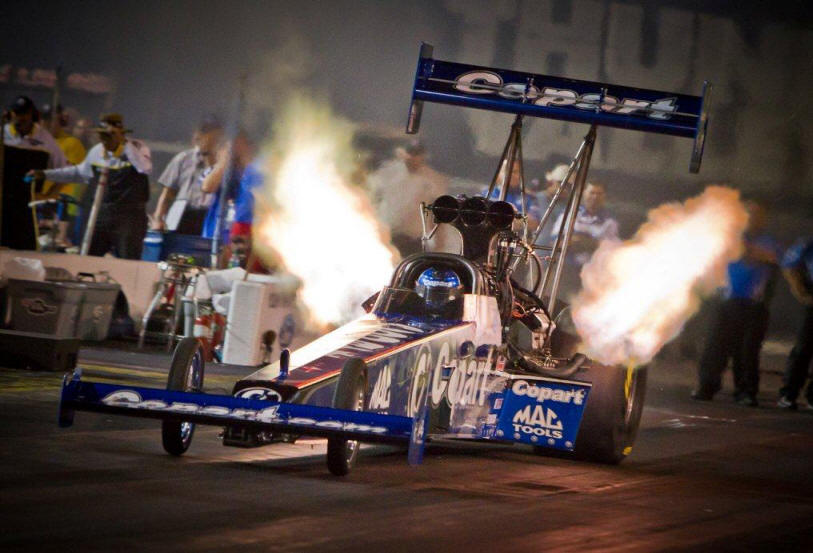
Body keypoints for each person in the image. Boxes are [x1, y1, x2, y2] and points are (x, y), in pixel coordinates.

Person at [692, 201, 781, 406]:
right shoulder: (730, 237)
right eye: (748, 214)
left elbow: (771, 256)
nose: (751, 219)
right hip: (727, 302)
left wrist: (744, 248)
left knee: (747, 351)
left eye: (756, 215)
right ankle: (707, 387)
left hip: (753, 306)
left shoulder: (767, 241)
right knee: (715, 346)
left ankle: (746, 392)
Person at [29, 113, 152, 259]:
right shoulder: (96, 151)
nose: (104, 140)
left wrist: (124, 145)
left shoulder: (136, 147)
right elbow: (79, 173)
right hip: (101, 213)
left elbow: (145, 168)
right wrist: (45, 174)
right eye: (102, 135)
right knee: (89, 255)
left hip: (129, 216)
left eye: (109, 135)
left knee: (129, 259)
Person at [367, 140, 449, 257]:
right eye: (410, 153)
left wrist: (440, 245)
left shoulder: (434, 179)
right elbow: (372, 199)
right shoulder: (387, 172)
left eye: (417, 154)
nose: (412, 158)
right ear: (403, 153)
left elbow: (439, 216)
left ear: (423, 156)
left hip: (413, 238)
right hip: (386, 235)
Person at [151, 118, 222, 235]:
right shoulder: (184, 159)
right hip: (181, 214)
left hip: (209, 216)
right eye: (201, 135)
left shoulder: (224, 163)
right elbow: (167, 193)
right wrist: (158, 219)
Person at [777, 238, 813, 410]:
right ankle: (788, 394)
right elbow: (789, 265)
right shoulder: (807, 244)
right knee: (803, 348)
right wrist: (801, 292)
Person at [3, 96, 66, 168]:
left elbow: (61, 165)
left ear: (33, 115)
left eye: (24, 113)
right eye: (17, 113)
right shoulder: (2, 132)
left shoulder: (45, 137)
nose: (20, 117)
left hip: (30, 178)